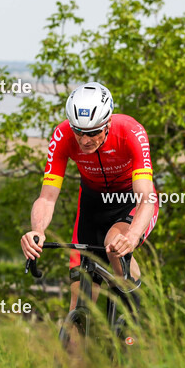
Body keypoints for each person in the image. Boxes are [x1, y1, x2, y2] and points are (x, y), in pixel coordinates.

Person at [20, 81, 158, 315]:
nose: (85, 140)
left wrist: (133, 236)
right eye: (79, 132)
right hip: (92, 205)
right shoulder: (62, 134)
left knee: (114, 245)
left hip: (128, 201)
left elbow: (147, 198)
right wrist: (38, 230)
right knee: (79, 299)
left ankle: (136, 317)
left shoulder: (131, 131)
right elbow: (47, 197)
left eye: (93, 132)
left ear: (108, 123)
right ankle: (76, 349)